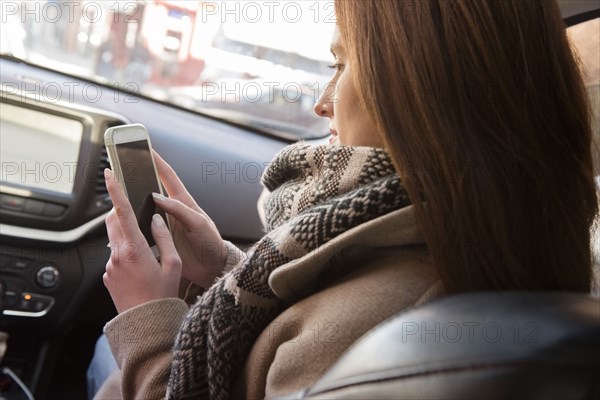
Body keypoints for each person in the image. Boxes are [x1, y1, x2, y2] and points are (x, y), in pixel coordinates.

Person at [92, 0, 598, 399]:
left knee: (102, 356)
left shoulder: (366, 329)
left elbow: (324, 324)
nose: (321, 100)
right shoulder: (474, 236)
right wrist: (223, 265)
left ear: (418, 89)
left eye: (342, 63)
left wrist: (147, 318)